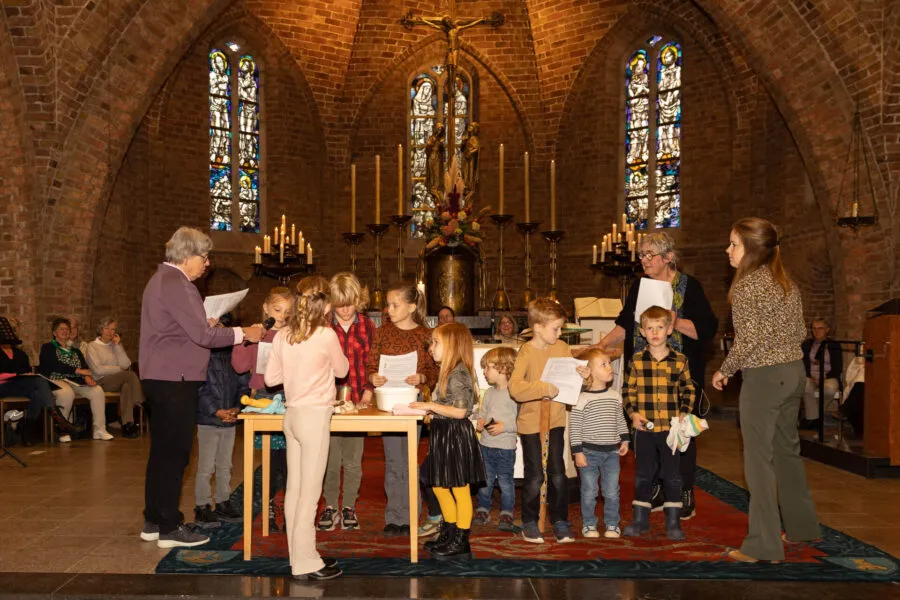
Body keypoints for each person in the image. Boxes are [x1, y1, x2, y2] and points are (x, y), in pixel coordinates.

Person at [138, 227, 263, 549]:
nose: (206, 264)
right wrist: (243, 333)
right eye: (204, 257)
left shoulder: (161, 280)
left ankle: (154, 519)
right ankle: (168, 527)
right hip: (173, 378)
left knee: (163, 452)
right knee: (176, 454)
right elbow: (203, 338)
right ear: (189, 256)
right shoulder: (178, 284)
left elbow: (180, 330)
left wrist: (202, 325)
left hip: (162, 375)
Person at [712, 217, 820, 563]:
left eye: (734, 244)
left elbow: (749, 341)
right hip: (794, 374)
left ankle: (763, 545)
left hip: (765, 379)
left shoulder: (746, 287)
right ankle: (802, 528)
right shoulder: (785, 281)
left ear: (752, 250)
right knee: (787, 454)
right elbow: (800, 332)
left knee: (758, 463)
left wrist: (724, 369)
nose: (727, 250)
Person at [595, 231, 717, 519]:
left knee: (679, 431)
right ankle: (659, 488)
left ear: (669, 257)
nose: (644, 260)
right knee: (648, 432)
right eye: (642, 254)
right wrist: (600, 346)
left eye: (650, 254)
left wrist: (676, 321)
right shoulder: (640, 286)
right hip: (645, 372)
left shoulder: (689, 286)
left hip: (678, 374)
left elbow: (706, 330)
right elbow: (626, 325)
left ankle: (684, 490)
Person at [265, 276, 348, 581]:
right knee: (310, 494)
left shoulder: (283, 335)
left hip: (292, 416)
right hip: (314, 417)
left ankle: (297, 556)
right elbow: (343, 371)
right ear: (325, 304)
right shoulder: (326, 335)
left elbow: (271, 379)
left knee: (295, 490)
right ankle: (306, 562)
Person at [366, 281, 438, 537]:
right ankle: (394, 516)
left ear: (411, 306)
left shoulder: (424, 334)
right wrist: (373, 377)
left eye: (395, 305)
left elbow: (433, 369)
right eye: (388, 304)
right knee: (393, 460)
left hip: (411, 404)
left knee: (409, 461)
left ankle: (410, 516)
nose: (389, 309)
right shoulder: (382, 332)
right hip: (387, 404)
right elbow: (371, 364)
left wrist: (422, 377)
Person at [410, 323, 486, 560]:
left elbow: (460, 411)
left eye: (435, 342)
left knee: (459, 489)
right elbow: (447, 407)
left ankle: (461, 540)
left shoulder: (459, 373)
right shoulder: (447, 371)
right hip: (444, 434)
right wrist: (432, 412)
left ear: (452, 346)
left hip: (456, 436)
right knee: (439, 485)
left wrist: (429, 406)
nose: (430, 348)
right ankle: (450, 530)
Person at [621, 306, 696, 541]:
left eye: (660, 328)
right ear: (642, 332)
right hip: (644, 429)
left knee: (672, 475)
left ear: (670, 330)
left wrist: (684, 413)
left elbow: (689, 390)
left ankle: (673, 522)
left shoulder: (680, 360)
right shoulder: (636, 360)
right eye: (650, 328)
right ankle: (640, 520)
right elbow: (627, 391)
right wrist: (633, 415)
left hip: (670, 430)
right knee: (644, 474)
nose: (655, 332)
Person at [508, 297, 575, 544]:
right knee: (535, 474)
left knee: (558, 473)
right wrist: (543, 388)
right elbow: (516, 389)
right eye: (555, 328)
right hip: (531, 423)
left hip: (555, 419)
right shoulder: (526, 352)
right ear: (537, 327)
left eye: (560, 328)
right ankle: (529, 521)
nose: (559, 333)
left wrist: (584, 377)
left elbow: (570, 382)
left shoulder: (563, 348)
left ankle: (559, 520)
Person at [232, 286, 294, 532]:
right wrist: (248, 338)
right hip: (263, 401)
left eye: (288, 312)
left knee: (291, 460)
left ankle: (291, 507)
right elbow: (238, 366)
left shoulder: (293, 335)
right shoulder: (259, 334)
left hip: (289, 399)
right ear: (266, 308)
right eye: (277, 310)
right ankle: (267, 504)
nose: (282, 316)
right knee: (270, 460)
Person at [318, 273, 375, 532]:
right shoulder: (323, 326)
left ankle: (349, 504)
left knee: (353, 459)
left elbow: (374, 361)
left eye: (349, 303)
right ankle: (330, 505)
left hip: (357, 400)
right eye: (339, 303)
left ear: (358, 300)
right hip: (327, 400)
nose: (344, 309)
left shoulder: (367, 325)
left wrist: (369, 390)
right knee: (330, 458)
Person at [570, 348, 630, 539]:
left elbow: (620, 420)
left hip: (612, 452)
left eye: (609, 363)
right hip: (589, 452)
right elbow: (575, 427)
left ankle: (612, 523)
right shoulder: (582, 399)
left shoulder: (615, 395)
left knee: (612, 491)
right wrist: (577, 452)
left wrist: (625, 439)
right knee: (589, 491)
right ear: (590, 371)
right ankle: (589, 524)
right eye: (603, 364)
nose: (609, 367)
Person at [193, 316, 248, 527]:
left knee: (226, 464)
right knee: (206, 466)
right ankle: (202, 505)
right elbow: (199, 388)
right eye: (213, 327)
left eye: (222, 327)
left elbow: (243, 385)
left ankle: (223, 501)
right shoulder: (201, 355)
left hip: (230, 418)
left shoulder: (235, 355)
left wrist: (237, 407)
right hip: (208, 418)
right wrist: (215, 410)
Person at [0, 316, 75, 445]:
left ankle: (27, 432)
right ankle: (60, 422)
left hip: (18, 385)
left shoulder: (20, 353)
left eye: (13, 330)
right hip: (2, 386)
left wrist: (25, 374)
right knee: (40, 382)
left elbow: (26, 371)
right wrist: (14, 375)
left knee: (38, 393)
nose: (11, 333)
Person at [39, 317, 113, 442]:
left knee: (97, 391)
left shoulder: (75, 351)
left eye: (67, 329)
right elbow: (54, 365)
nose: (65, 331)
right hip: (54, 379)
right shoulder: (48, 347)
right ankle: (62, 430)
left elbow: (84, 367)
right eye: (61, 329)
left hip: (75, 381)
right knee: (67, 393)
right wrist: (77, 371)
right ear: (54, 333)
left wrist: (88, 377)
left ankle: (99, 429)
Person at [473, 346, 519, 532]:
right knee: (486, 480)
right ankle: (483, 509)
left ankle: (506, 513)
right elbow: (483, 413)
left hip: (506, 447)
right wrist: (480, 421)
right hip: (486, 445)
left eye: (487, 367)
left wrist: (504, 426)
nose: (484, 372)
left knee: (506, 482)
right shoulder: (490, 393)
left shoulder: (516, 394)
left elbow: (521, 422)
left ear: (503, 368)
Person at [84, 317, 144, 438]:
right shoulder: (92, 346)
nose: (110, 332)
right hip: (100, 381)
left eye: (113, 329)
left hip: (118, 380)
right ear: (101, 329)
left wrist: (117, 346)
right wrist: (118, 369)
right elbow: (98, 369)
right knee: (130, 375)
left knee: (127, 386)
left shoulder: (115, 345)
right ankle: (140, 402)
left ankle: (127, 424)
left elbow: (126, 364)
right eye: (107, 329)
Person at [800, 318, 843, 430]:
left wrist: (824, 377)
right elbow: (803, 365)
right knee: (805, 385)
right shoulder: (807, 344)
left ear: (827, 330)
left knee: (830, 389)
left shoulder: (834, 345)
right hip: (811, 376)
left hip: (828, 376)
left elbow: (838, 368)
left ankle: (813, 417)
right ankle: (814, 419)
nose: (816, 331)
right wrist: (811, 376)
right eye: (814, 328)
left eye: (820, 328)